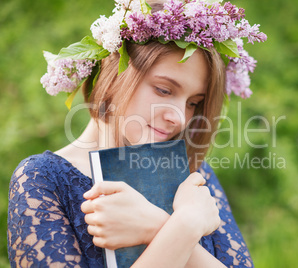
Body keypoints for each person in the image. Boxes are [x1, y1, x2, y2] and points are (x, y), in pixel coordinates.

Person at [7, 0, 266, 267]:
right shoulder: (43, 180)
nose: (178, 117)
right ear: (115, 73)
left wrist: (155, 226)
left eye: (192, 103)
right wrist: (185, 226)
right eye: (164, 90)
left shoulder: (195, 176)